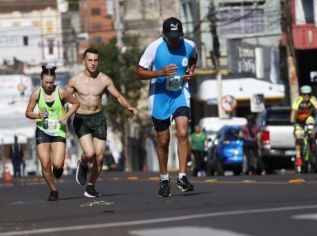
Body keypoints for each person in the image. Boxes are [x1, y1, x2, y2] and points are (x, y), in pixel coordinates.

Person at [136, 17, 198, 197]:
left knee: (183, 132)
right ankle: (164, 178)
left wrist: (191, 71)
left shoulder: (189, 45)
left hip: (180, 93)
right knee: (163, 140)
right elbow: (138, 73)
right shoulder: (154, 48)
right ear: (164, 35)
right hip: (159, 97)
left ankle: (183, 176)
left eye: (177, 36)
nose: (174, 40)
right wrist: (160, 73)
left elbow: (194, 57)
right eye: (171, 37)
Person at [67, 48, 137, 198]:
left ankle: (91, 186)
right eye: (90, 60)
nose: (93, 63)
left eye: (95, 60)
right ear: (84, 61)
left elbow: (117, 95)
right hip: (81, 119)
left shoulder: (104, 79)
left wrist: (129, 107)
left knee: (99, 156)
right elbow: (64, 97)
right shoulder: (75, 81)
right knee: (90, 153)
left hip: (98, 118)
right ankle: (83, 163)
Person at [25, 66, 80, 201]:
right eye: (46, 82)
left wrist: (66, 116)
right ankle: (53, 190)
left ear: (54, 80)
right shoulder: (36, 94)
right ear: (41, 80)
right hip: (42, 130)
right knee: (45, 163)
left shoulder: (61, 92)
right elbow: (28, 112)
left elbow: (76, 103)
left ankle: (58, 169)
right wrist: (37, 115)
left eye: (51, 82)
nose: (49, 85)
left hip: (58, 131)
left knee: (58, 164)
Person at [290, 85, 317, 167]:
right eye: (304, 94)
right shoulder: (298, 100)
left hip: (308, 118)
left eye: (308, 94)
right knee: (298, 135)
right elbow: (293, 111)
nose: (306, 96)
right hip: (299, 120)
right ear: (301, 94)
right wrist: (292, 120)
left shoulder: (313, 99)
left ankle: (312, 145)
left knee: (311, 128)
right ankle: (298, 157)